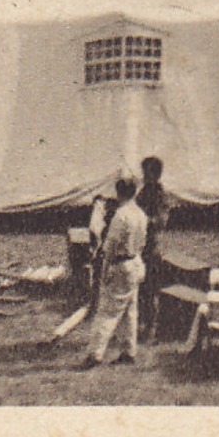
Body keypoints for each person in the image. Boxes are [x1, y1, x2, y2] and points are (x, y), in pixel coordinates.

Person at [80, 175, 149, 370]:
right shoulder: (140, 214)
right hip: (136, 261)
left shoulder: (121, 215)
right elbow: (143, 242)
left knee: (107, 312)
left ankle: (94, 354)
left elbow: (110, 246)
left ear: (118, 193)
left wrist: (105, 270)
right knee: (129, 311)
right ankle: (129, 351)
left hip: (121, 264)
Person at [137, 156, 172, 340]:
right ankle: (141, 322)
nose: (143, 176)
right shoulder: (143, 192)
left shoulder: (160, 195)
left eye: (146, 173)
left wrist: (141, 219)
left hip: (152, 247)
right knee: (140, 287)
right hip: (139, 245)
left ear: (155, 175)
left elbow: (161, 221)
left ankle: (151, 326)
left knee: (150, 288)